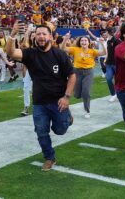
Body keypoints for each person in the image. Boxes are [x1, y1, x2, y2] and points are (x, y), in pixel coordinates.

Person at [6, 22, 76, 171]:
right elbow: (12, 52)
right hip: (39, 102)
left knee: (60, 130)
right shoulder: (30, 54)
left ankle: (67, 118)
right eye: (38, 34)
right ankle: (49, 157)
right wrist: (12, 35)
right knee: (41, 131)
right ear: (35, 37)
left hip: (59, 101)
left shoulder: (60, 54)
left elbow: (72, 76)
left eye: (44, 34)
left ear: (50, 36)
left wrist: (67, 97)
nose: (41, 37)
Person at [61, 32, 106, 118]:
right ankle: (81, 94)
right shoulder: (75, 49)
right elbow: (63, 48)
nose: (84, 42)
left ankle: (87, 110)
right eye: (82, 40)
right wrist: (66, 39)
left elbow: (104, 52)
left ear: (89, 43)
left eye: (85, 40)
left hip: (89, 73)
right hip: (77, 72)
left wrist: (102, 43)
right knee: (77, 95)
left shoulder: (92, 51)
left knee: (86, 92)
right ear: (80, 42)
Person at [105, 27, 121, 102]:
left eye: (105, 32)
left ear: (108, 33)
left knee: (118, 80)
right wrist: (105, 59)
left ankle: (119, 94)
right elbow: (108, 52)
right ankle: (113, 94)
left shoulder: (117, 41)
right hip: (109, 63)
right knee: (108, 79)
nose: (104, 34)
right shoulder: (108, 41)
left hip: (117, 63)